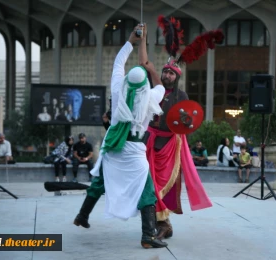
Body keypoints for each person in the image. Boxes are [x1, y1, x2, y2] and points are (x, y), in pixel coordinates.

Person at [89, 24, 167, 248]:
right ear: (144, 85)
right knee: (147, 191)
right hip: (135, 153)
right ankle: (147, 236)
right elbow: (160, 85)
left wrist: (131, 41)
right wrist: (151, 69)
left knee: (103, 181)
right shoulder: (150, 97)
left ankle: (84, 214)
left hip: (114, 150)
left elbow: (117, 65)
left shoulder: (117, 90)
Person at [140, 24, 212, 240]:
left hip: (169, 145)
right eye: (165, 71)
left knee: (161, 185)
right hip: (148, 142)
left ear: (177, 76)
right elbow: (145, 64)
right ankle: (158, 224)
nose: (167, 75)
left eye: (171, 73)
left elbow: (188, 123)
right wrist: (142, 38)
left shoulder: (181, 96)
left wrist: (186, 120)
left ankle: (163, 224)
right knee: (147, 183)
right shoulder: (154, 88)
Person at [74, 111, 111, 228]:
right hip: (121, 155)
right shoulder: (121, 121)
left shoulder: (113, 126)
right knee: (144, 185)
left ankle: (82, 215)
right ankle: (149, 233)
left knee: (98, 184)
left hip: (112, 157)